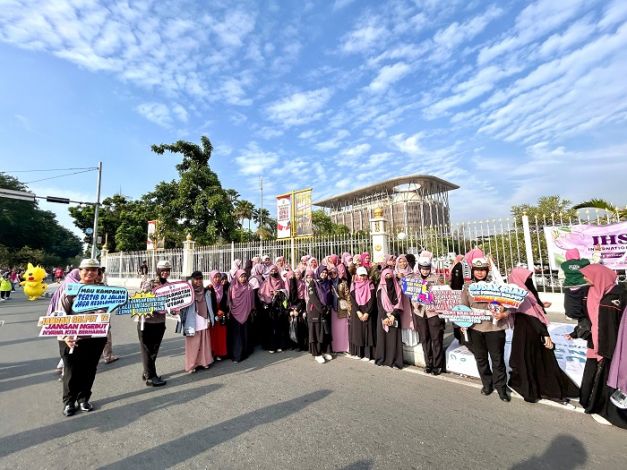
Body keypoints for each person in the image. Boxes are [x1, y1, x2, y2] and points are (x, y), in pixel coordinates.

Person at [507, 268, 579, 404]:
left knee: (530, 360)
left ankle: (542, 388)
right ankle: (545, 389)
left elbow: (532, 311)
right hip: (529, 332)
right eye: (526, 279)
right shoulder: (520, 293)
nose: (529, 281)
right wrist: (545, 334)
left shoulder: (520, 292)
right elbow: (531, 316)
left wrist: (539, 304)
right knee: (533, 360)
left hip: (527, 332)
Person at [54, 258, 108, 416]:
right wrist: (65, 336)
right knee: (71, 371)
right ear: (80, 271)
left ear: (98, 272)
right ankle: (69, 401)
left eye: (94, 270)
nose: (90, 273)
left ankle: (83, 398)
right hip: (71, 338)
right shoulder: (70, 290)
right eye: (86, 269)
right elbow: (60, 313)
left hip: (96, 337)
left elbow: (107, 311)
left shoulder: (104, 291)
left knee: (90, 369)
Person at [577, 264, 627, 428]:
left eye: (588, 275)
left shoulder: (618, 294)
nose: (584, 279)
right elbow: (586, 318)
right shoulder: (590, 293)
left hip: (612, 344)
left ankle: (600, 404)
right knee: (592, 371)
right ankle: (586, 400)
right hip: (596, 341)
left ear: (599, 276)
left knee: (606, 376)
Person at [462, 257, 512, 402]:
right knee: (481, 358)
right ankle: (487, 384)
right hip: (475, 328)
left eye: (483, 270)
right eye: (477, 270)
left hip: (495, 327)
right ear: (473, 271)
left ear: (487, 271)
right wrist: (462, 322)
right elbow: (463, 307)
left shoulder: (497, 286)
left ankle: (501, 388)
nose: (479, 273)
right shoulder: (467, 287)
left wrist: (504, 314)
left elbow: (509, 305)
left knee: (497, 359)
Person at [138, 260, 171, 387]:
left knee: (154, 349)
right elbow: (141, 298)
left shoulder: (169, 285)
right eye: (163, 270)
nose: (165, 272)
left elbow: (171, 302)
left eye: (168, 270)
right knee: (147, 349)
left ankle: (147, 371)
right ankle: (151, 377)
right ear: (158, 270)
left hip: (160, 322)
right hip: (147, 322)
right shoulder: (150, 283)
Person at [411, 256, 445, 375]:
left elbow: (442, 294)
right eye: (423, 268)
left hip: (433, 313)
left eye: (427, 268)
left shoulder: (437, 278)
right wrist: (414, 303)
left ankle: (438, 365)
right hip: (419, 312)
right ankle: (428, 363)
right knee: (424, 338)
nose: (425, 270)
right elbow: (411, 293)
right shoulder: (414, 279)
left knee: (436, 338)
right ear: (419, 268)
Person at [180, 271, 214, 373]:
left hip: (203, 320)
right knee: (192, 345)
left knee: (204, 343)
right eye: (196, 279)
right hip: (192, 321)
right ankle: (191, 365)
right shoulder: (188, 292)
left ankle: (204, 362)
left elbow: (209, 307)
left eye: (200, 279)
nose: (198, 281)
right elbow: (182, 306)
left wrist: (209, 319)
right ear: (192, 280)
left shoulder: (206, 292)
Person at [375, 268, 404, 369]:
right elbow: (379, 304)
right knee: (383, 339)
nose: (388, 277)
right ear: (382, 277)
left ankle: (395, 362)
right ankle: (382, 359)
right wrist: (384, 316)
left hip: (394, 316)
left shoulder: (398, 288)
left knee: (394, 340)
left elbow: (400, 302)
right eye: (386, 276)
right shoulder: (380, 289)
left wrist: (393, 315)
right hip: (383, 316)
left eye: (390, 276)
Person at [258, 264, 287, 353]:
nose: (274, 272)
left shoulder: (281, 281)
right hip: (269, 306)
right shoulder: (266, 282)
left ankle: (279, 345)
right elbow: (260, 293)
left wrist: (279, 293)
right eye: (272, 271)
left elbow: (286, 291)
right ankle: (271, 346)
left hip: (279, 306)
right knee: (270, 327)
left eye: (275, 270)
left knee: (279, 326)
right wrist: (266, 299)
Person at [305, 268, 332, 363]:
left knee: (323, 332)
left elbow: (329, 297)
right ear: (318, 273)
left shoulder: (327, 283)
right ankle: (317, 354)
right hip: (315, 311)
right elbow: (313, 298)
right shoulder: (313, 283)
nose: (324, 274)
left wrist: (327, 308)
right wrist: (322, 309)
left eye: (326, 272)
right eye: (322, 272)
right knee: (316, 333)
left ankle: (324, 351)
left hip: (324, 311)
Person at [349, 266, 376, 360]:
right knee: (358, 333)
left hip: (368, 311)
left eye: (364, 275)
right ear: (357, 275)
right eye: (360, 275)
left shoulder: (370, 285)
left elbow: (372, 300)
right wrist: (358, 312)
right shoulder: (354, 285)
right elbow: (352, 299)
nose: (362, 277)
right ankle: (359, 354)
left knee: (368, 332)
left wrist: (367, 313)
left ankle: (368, 355)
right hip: (358, 312)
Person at [229, 269, 255, 363]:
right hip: (235, 314)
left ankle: (245, 351)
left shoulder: (249, 287)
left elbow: (252, 300)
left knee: (245, 334)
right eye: (241, 276)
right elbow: (230, 301)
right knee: (237, 335)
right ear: (237, 277)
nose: (243, 278)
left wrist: (252, 309)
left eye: (244, 276)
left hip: (246, 313)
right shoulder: (233, 287)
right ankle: (237, 355)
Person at [97, 268, 119, 364]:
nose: (101, 276)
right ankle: (108, 356)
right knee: (106, 336)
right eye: (100, 274)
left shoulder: (85, 286)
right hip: (101, 315)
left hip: (94, 316)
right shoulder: (103, 286)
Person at [208, 270, 229, 360]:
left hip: (222, 314)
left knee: (221, 334)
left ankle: (220, 353)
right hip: (213, 314)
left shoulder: (223, 288)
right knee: (212, 335)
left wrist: (223, 311)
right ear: (212, 278)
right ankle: (213, 353)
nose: (217, 279)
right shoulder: (209, 289)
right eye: (215, 277)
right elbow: (208, 303)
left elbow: (227, 301)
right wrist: (216, 311)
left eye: (218, 277)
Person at [286, 269, 307, 350]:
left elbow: (303, 298)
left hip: (300, 306)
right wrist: (290, 310)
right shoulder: (290, 283)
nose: (297, 274)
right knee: (291, 325)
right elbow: (288, 298)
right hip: (291, 306)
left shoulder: (303, 283)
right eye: (295, 273)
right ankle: (293, 344)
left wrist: (298, 310)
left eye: (298, 273)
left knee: (299, 324)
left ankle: (300, 344)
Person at [330, 266, 350, 354]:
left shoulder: (343, 282)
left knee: (343, 329)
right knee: (334, 330)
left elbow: (348, 295)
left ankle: (345, 347)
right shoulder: (328, 283)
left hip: (341, 308)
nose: (332, 275)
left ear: (337, 273)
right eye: (330, 273)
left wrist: (350, 308)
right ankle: (335, 348)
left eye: (334, 273)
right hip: (332, 309)